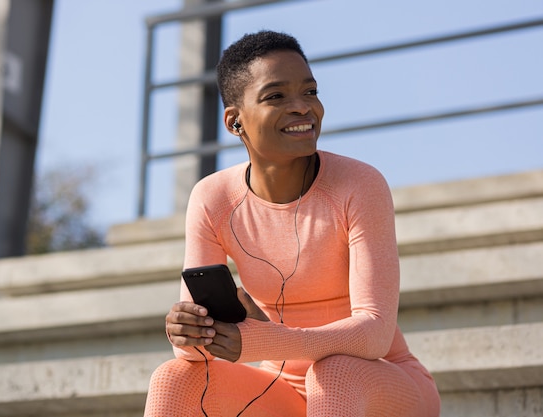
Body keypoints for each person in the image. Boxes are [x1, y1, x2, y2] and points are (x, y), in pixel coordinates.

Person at [144, 30, 441, 417]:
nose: (302, 107)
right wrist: (186, 332)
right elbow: (194, 352)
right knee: (173, 378)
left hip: (382, 385)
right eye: (276, 96)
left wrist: (262, 341)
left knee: (333, 375)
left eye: (311, 92)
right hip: (280, 390)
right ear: (235, 122)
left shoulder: (359, 184)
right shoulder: (212, 198)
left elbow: (375, 334)